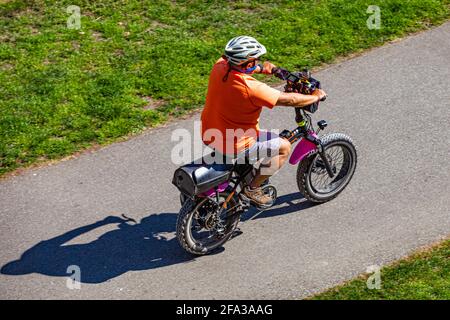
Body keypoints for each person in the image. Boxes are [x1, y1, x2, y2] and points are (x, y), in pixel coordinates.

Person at [201, 36, 327, 206]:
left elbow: (244, 68)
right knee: (283, 147)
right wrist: (315, 96)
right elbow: (289, 100)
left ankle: (243, 172)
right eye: (255, 60)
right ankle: (253, 188)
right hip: (236, 142)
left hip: (210, 131)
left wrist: (265, 69)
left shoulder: (220, 66)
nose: (257, 62)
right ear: (246, 63)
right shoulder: (251, 88)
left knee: (259, 137)